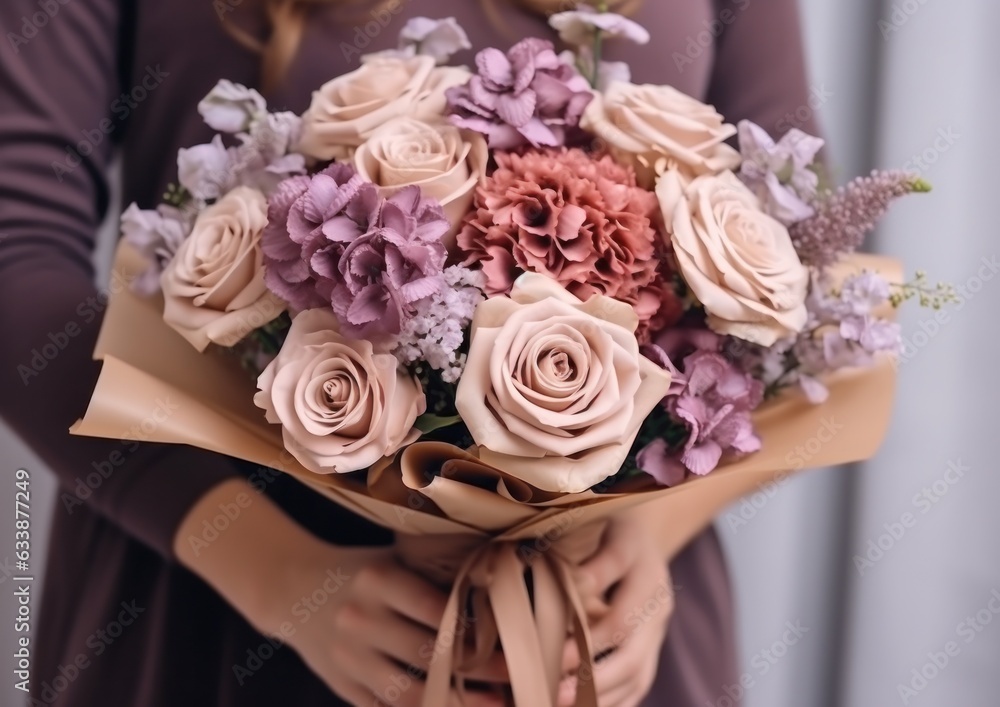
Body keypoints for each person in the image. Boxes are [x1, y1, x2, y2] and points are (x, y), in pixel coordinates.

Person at [0, 0, 818, 704]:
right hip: (211, 602)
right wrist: (278, 574)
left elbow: (803, 254)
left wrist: (649, 536)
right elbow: (16, 247)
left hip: (606, 626)